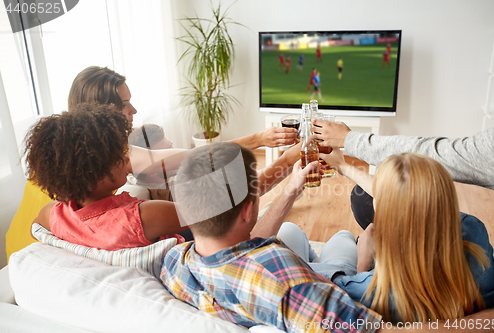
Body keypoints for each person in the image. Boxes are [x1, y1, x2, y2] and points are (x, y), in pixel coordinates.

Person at [160, 142, 382, 332]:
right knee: (342, 238)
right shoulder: (285, 279)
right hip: (325, 286)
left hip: (253, 285)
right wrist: (364, 261)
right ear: (247, 211)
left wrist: (291, 189)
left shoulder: (173, 261)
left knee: (290, 230)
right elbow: (366, 327)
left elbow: (235, 250)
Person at [319, 150, 494, 323]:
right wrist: (342, 166)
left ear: (384, 210)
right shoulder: (473, 230)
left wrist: (363, 262)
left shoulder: (369, 288)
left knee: (341, 238)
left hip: (355, 276)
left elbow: (341, 300)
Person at [26, 104, 188, 250]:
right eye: (117, 155)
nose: (126, 159)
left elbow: (36, 230)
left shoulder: (53, 214)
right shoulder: (144, 216)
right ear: (94, 172)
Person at [311, 120, 494, 227]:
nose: (381, 193)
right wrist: (344, 167)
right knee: (362, 196)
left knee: (345, 235)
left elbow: (439, 154)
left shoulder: (365, 285)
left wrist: (363, 261)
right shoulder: (476, 232)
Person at [68, 66, 298, 149]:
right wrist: (259, 139)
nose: (134, 111)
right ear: (99, 111)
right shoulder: (120, 157)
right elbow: (190, 158)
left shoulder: (101, 148)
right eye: (124, 105)